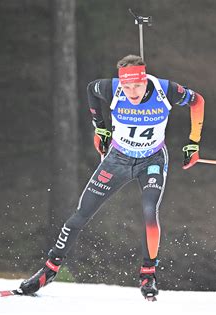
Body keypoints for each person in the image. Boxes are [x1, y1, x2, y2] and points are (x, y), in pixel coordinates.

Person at [19, 55, 205, 299]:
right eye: (126, 86)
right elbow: (90, 90)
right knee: (81, 213)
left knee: (150, 211)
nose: (131, 92)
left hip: (152, 160)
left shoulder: (165, 90)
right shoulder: (111, 88)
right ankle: (49, 270)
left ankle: (148, 275)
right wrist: (100, 126)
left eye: (137, 85)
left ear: (144, 79)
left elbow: (197, 101)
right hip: (117, 160)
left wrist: (193, 143)